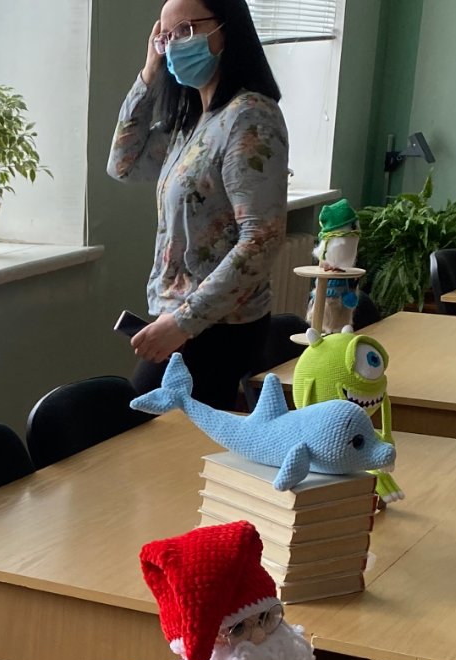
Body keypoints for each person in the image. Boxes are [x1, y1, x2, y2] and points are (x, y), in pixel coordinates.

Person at [108, 0, 288, 410]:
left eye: (186, 30)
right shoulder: (191, 122)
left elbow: (261, 238)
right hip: (182, 321)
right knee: (149, 436)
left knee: (141, 435)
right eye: (166, 36)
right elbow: (123, 163)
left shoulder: (250, 116)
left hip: (217, 328)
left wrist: (184, 322)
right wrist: (149, 72)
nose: (174, 45)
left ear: (226, 30)